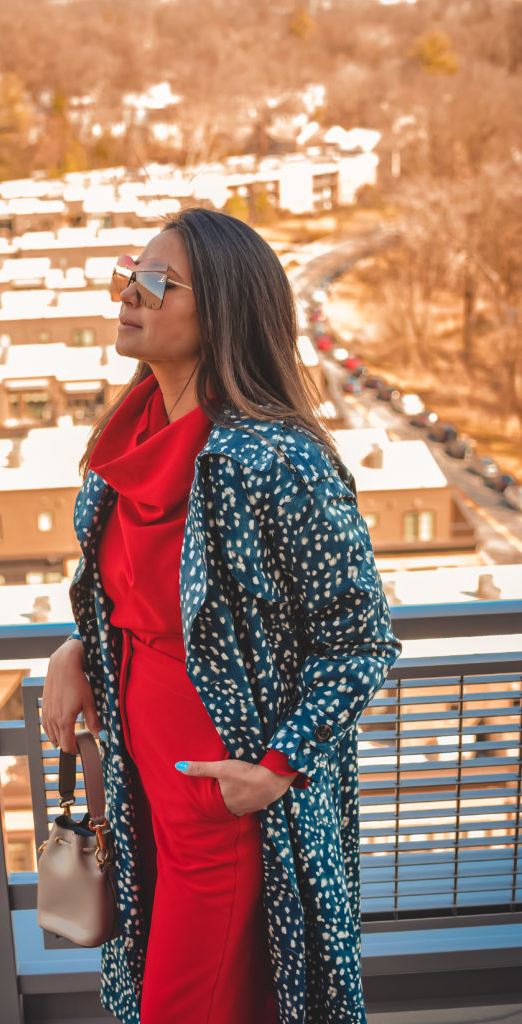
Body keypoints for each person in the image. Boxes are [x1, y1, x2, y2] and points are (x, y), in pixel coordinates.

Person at [41, 208, 401, 1024]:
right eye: (127, 274)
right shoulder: (128, 438)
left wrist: (274, 768)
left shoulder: (278, 461)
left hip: (222, 801)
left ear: (226, 311)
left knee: (185, 1006)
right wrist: (76, 647)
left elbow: (358, 642)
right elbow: (129, 593)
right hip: (139, 794)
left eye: (156, 283)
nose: (128, 294)